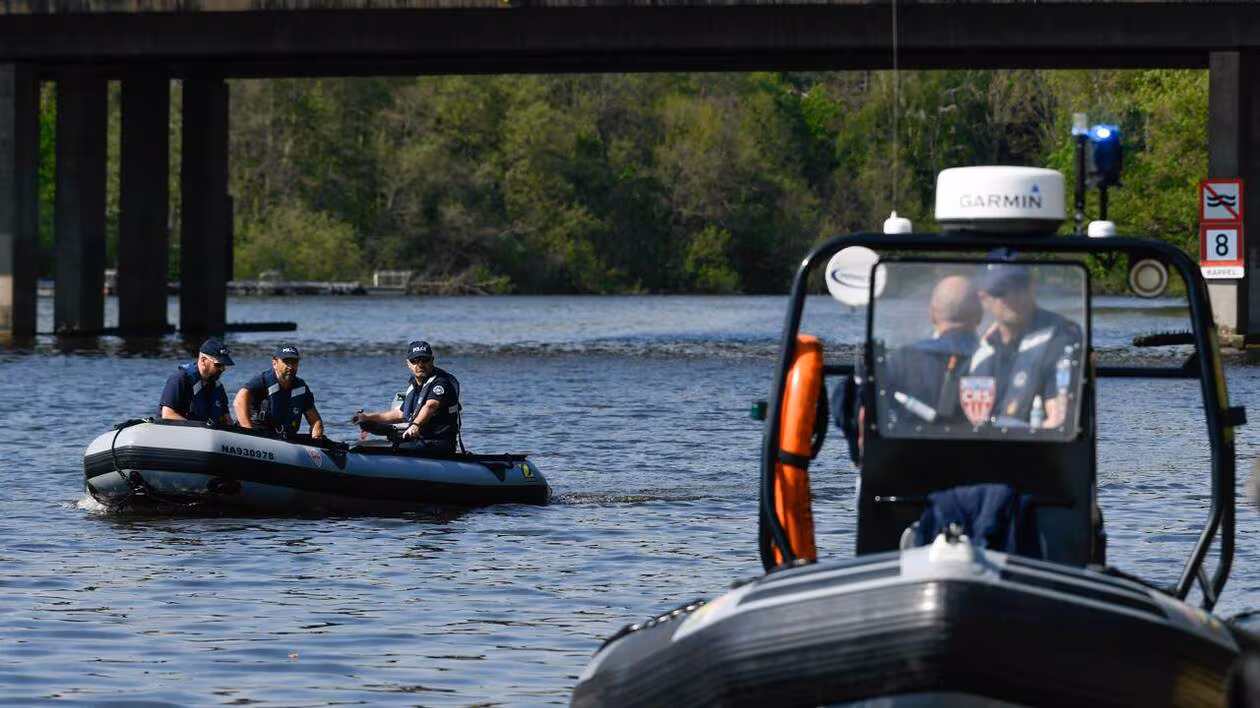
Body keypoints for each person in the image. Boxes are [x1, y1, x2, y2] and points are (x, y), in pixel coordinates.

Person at [967, 264, 1083, 428]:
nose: (1012, 297)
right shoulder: (981, 348)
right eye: (1000, 290)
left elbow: (1059, 421)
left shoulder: (1061, 339)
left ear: (1032, 287)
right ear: (984, 298)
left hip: (1035, 443)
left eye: (1019, 286)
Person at [880, 274, 982, 426]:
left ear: (933, 315)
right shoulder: (993, 360)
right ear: (979, 315)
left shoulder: (901, 360)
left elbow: (857, 412)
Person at [352, 340, 462, 452]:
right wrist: (367, 417)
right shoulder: (415, 384)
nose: (420, 365)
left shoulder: (441, 383)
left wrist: (415, 425)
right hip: (418, 440)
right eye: (414, 361)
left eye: (424, 360)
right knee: (367, 440)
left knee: (393, 449)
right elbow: (399, 414)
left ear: (432, 360)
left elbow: (430, 406)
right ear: (408, 364)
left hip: (438, 443)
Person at [233, 344, 325, 439]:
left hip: (284, 439)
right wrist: (249, 432)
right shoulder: (263, 381)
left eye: (294, 362)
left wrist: (317, 437)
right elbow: (239, 401)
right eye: (286, 362)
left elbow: (315, 421)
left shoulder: (301, 388)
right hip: (258, 434)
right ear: (274, 363)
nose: (290, 367)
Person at [159, 338, 235, 425]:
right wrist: (201, 429)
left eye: (224, 365)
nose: (223, 369)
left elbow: (226, 418)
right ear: (203, 361)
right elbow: (168, 415)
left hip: (209, 431)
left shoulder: (217, 385)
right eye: (218, 365)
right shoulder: (180, 379)